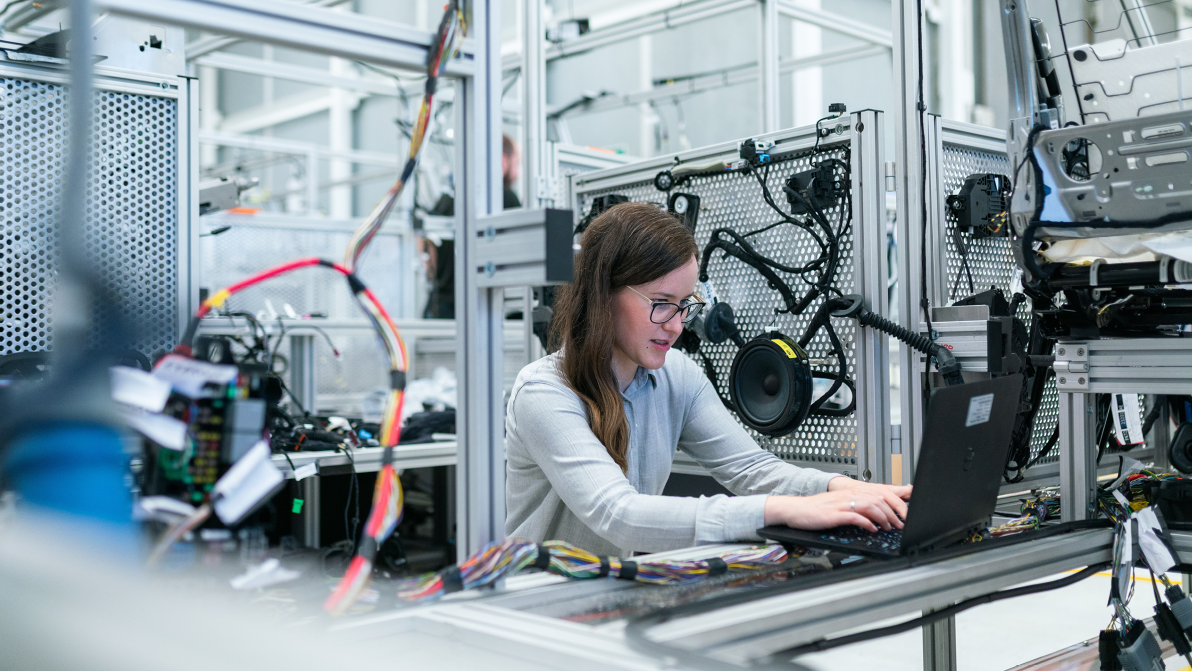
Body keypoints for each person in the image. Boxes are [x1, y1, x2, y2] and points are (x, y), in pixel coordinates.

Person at [505, 202, 911, 556]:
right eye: (662, 304)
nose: (677, 326)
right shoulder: (545, 392)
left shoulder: (676, 376)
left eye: (685, 305)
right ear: (603, 294)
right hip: (538, 610)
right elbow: (619, 515)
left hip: (607, 594)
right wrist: (781, 511)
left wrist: (842, 489)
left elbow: (753, 469)